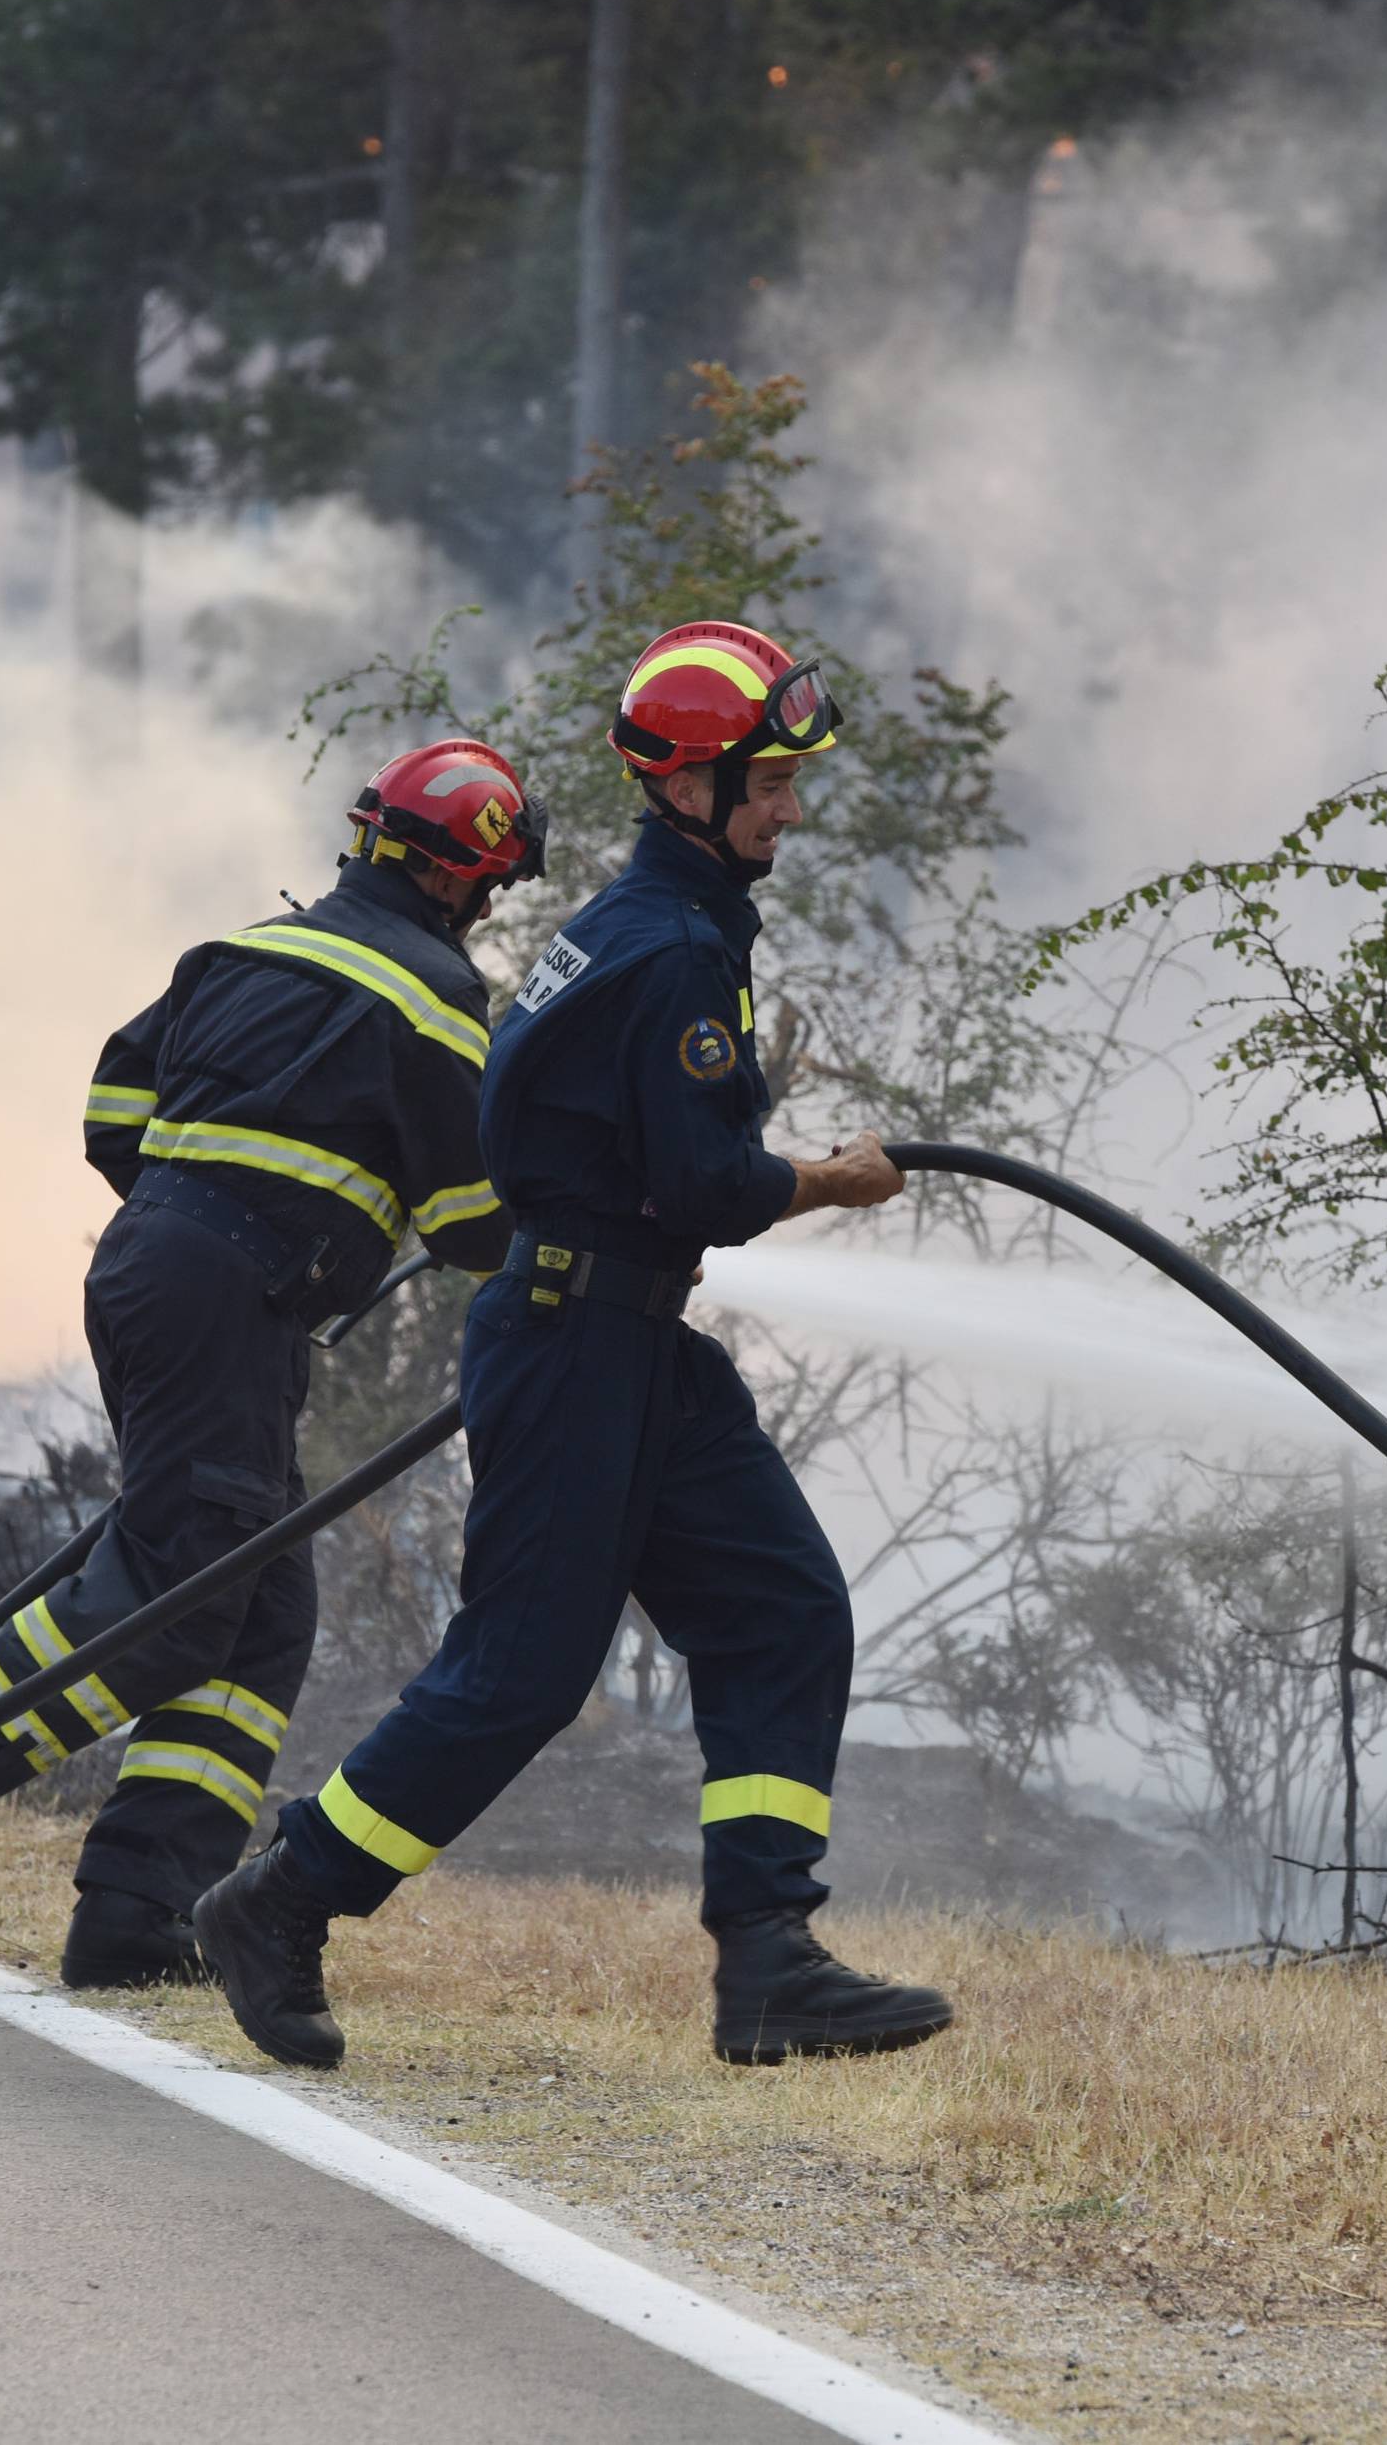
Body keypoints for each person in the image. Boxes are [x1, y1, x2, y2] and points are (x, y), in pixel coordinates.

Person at [196, 620, 954, 2072]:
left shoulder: (657, 925)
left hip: (625, 1343)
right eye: (773, 778)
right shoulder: (669, 951)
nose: (791, 804)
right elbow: (703, 1188)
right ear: (692, 783)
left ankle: (769, 1958)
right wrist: (830, 1178)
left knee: (783, 1607)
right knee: (522, 1672)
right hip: (573, 1344)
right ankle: (283, 1895)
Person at [0, 741, 544, 1991]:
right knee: (176, 1597)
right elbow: (474, 1223)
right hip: (229, 1295)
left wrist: (202, 1201)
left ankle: (137, 1908)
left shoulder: (238, 953)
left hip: (165, 1269)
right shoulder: (436, 995)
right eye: (492, 887)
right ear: (467, 881)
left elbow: (114, 1110)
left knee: (261, 1614)